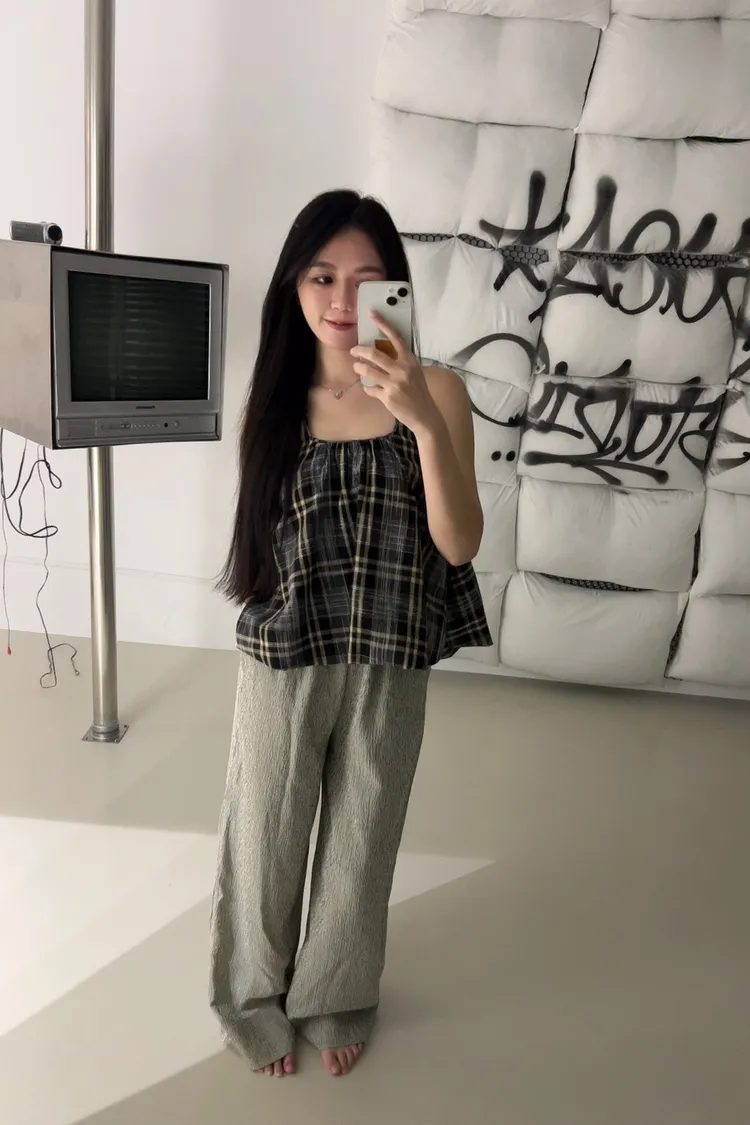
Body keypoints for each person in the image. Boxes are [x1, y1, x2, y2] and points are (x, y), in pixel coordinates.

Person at [209, 189, 491, 1079]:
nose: (341, 299)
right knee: (265, 831)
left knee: (362, 836)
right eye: (322, 276)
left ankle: (336, 992)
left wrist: (419, 418)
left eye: (368, 280)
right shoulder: (272, 402)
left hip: (390, 653)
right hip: (286, 652)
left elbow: (460, 543)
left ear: (395, 290)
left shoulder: (439, 391)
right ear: (293, 286)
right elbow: (261, 541)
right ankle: (251, 996)